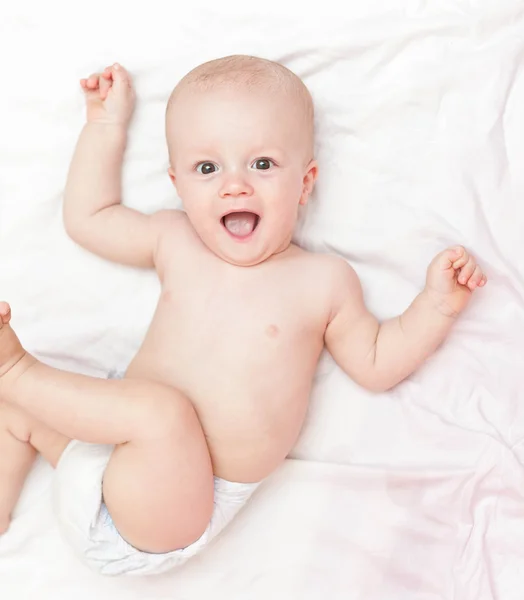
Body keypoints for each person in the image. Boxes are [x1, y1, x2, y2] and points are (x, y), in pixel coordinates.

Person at [0, 55, 487, 576]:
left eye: (262, 164)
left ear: (305, 183)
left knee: (159, 414)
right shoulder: (175, 238)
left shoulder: (322, 280)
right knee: (27, 415)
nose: (234, 186)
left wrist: (435, 306)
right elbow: (88, 218)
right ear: (178, 185)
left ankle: (13, 371)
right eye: (207, 169)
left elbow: (376, 362)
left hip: (169, 511)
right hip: (101, 462)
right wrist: (104, 126)